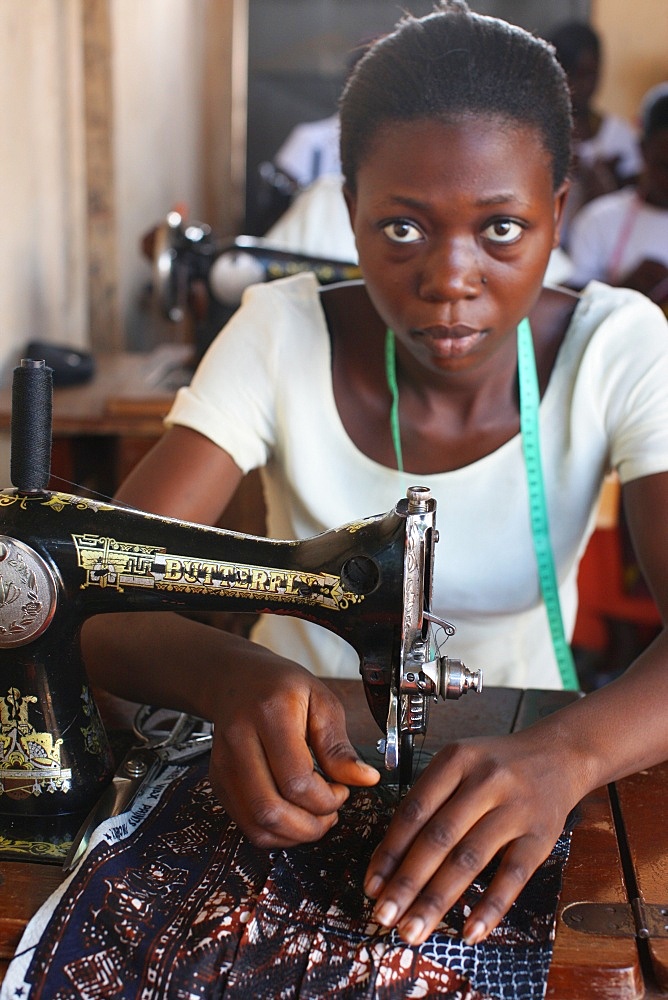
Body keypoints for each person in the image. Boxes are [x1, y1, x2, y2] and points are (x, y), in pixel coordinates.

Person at [82, 0, 668, 951]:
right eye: (401, 229)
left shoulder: (619, 348)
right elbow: (102, 591)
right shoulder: (278, 333)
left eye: (502, 229)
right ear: (348, 210)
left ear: (559, 212)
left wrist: (569, 754)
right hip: (285, 761)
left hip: (532, 761)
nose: (449, 276)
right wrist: (233, 679)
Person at [568, 84, 668, 306]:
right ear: (642, 150)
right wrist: (625, 290)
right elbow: (571, 310)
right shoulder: (600, 220)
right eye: (664, 165)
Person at [546, 20, 642, 249]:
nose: (580, 85)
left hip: (601, 251)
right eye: (570, 74)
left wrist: (607, 185)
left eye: (589, 74)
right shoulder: (538, 135)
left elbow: (635, 207)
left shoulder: (620, 137)